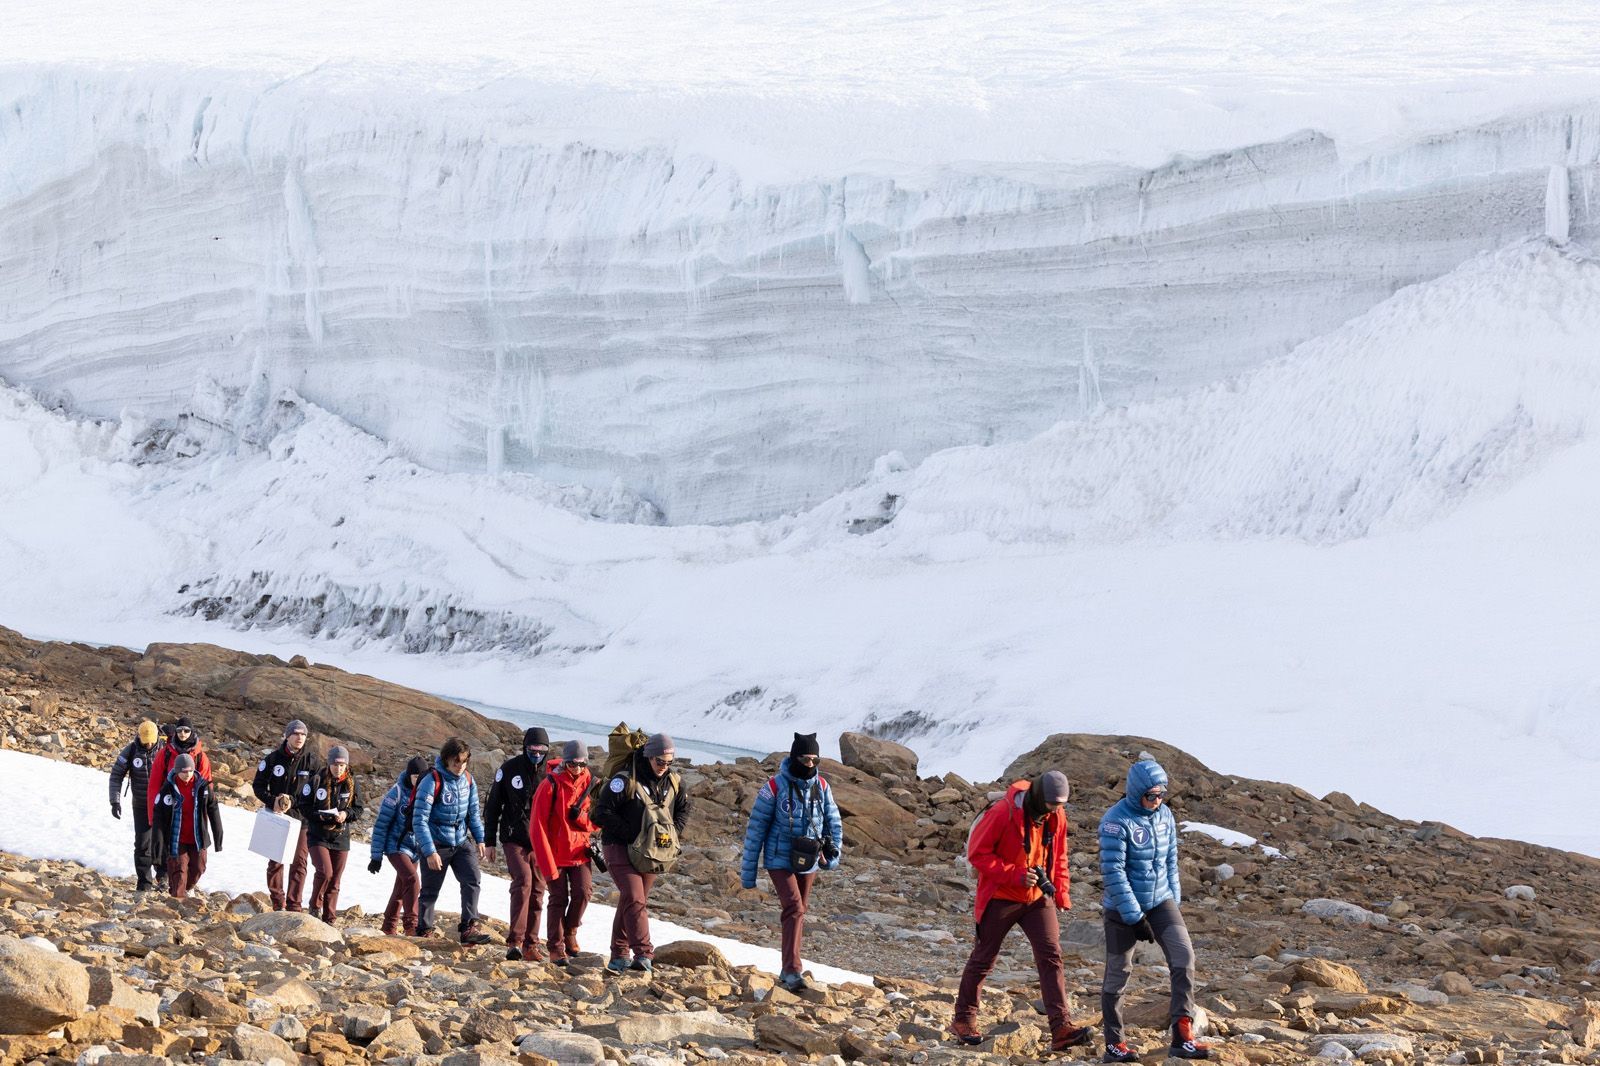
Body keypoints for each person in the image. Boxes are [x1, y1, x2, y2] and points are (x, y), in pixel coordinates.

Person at [951, 770, 1092, 1052]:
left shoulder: (1056, 815)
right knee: (984, 957)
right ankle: (963, 1020)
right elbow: (978, 854)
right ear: (1040, 797)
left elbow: (1059, 855)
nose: (1056, 810)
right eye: (1053, 804)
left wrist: (1061, 892)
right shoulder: (1003, 812)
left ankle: (1061, 1028)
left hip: (1038, 896)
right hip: (1001, 895)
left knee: (1051, 956)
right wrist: (1014, 874)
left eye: (1060, 805)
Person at [1098, 758, 1210, 1061]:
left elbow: (1170, 860)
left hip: (1161, 901)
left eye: (1161, 795)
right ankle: (1114, 1044)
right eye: (1151, 796)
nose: (1157, 800)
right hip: (1122, 910)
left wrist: (1173, 899)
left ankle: (1182, 1036)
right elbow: (1113, 873)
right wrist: (1135, 917)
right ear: (1136, 793)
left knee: (1184, 958)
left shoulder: (1165, 815)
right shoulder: (1115, 821)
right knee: (1118, 974)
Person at [739, 732, 844, 991]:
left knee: (798, 912)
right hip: (779, 859)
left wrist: (832, 856)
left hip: (809, 860)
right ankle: (792, 970)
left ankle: (788, 967)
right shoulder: (773, 787)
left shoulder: (822, 787)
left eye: (814, 760)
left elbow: (834, 823)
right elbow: (755, 831)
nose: (809, 764)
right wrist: (748, 875)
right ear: (794, 757)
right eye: (805, 759)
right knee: (795, 908)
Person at [593, 732, 690, 973]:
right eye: (660, 762)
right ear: (648, 757)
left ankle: (618, 955)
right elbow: (601, 813)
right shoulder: (624, 780)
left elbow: (684, 809)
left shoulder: (673, 782)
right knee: (635, 899)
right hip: (617, 846)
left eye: (668, 763)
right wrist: (632, 834)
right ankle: (644, 953)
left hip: (651, 852)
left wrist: (673, 833)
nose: (663, 767)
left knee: (631, 899)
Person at [412, 736, 491, 945]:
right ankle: (424, 930)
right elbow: (419, 819)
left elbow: (473, 813)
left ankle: (468, 928)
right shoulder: (432, 780)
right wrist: (429, 851)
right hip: (437, 843)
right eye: (456, 761)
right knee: (430, 890)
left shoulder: (468, 780)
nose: (460, 766)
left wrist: (480, 839)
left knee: (472, 879)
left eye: (464, 761)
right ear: (447, 759)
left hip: (461, 841)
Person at [485, 727, 553, 960]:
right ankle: (514, 941)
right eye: (532, 750)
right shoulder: (509, 769)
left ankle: (531, 945)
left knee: (538, 891)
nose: (537, 754)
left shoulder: (551, 773)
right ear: (525, 748)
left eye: (542, 750)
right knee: (523, 881)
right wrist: (489, 841)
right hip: (514, 836)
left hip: (541, 842)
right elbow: (493, 806)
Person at [529, 739, 597, 966]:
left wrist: (586, 822)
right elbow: (537, 826)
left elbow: (598, 818)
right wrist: (546, 864)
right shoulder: (549, 785)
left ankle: (570, 931)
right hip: (555, 854)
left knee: (584, 892)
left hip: (579, 851)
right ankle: (556, 948)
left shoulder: (589, 780)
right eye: (572, 764)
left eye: (581, 764)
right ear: (565, 762)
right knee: (558, 899)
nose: (577, 768)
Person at [251, 719, 316, 910]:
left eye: (303, 734)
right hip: (277, 818)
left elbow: (315, 790)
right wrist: (273, 801)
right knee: (276, 860)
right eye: (296, 733)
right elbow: (258, 786)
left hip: (301, 820)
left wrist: (293, 801)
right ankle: (278, 902)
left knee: (299, 862)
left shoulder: (312, 761)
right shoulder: (272, 759)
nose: (299, 737)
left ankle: (294, 905)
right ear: (287, 736)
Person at [298, 745, 363, 924]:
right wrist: (318, 815)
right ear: (329, 764)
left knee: (335, 880)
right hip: (318, 835)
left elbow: (358, 809)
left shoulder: (351, 783)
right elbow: (303, 805)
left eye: (342, 765)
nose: (338, 768)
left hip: (340, 837)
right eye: (335, 765)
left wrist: (346, 814)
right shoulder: (316, 780)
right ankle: (314, 906)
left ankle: (330, 918)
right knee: (325, 872)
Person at [369, 755, 430, 936]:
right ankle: (411, 925)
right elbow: (381, 825)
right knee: (412, 880)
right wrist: (376, 856)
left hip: (415, 849)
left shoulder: (429, 793)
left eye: (422, 777)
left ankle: (388, 926)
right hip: (396, 846)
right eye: (415, 777)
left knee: (401, 887)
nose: (418, 781)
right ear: (409, 776)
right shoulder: (396, 793)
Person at [150, 752, 224, 899]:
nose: (187, 774)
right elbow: (158, 820)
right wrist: (157, 849)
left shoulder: (203, 787)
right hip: (176, 839)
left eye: (190, 770)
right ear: (177, 771)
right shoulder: (167, 790)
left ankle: (188, 888)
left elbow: (214, 811)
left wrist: (218, 838)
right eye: (183, 771)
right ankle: (176, 906)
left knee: (199, 868)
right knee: (178, 873)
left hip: (198, 838)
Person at [108, 720, 162, 891]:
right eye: (146, 740)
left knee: (162, 842)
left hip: (162, 804)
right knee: (142, 843)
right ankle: (144, 882)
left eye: (152, 740)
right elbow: (116, 775)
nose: (149, 744)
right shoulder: (131, 750)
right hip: (140, 804)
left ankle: (163, 878)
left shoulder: (164, 750)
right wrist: (115, 801)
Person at [146, 717, 212, 822]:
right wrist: (153, 816)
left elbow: (206, 789)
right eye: (179, 730)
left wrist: (204, 819)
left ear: (192, 732)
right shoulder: (165, 754)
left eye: (186, 730)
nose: (183, 733)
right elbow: (154, 785)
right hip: (168, 805)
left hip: (191, 808)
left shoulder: (200, 757)